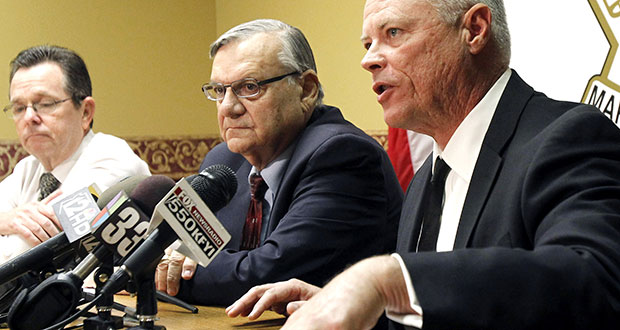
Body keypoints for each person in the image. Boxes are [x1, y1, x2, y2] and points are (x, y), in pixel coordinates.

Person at [225, 1, 620, 329]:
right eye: (367, 42)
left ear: (475, 30)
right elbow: (446, 310)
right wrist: (366, 311)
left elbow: (596, 281)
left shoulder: (568, 137)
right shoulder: (424, 180)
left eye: (393, 33)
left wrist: (389, 281)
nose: (368, 59)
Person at [154, 19, 403, 307]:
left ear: (306, 89)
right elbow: (190, 252)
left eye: (249, 87)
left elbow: (267, 273)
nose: (228, 108)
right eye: (219, 90)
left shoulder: (343, 155)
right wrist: (164, 257)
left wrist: (156, 273)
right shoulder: (223, 162)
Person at [0, 45, 151, 263]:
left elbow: (26, 253)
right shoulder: (28, 169)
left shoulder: (112, 158)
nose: (29, 117)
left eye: (45, 104)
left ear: (86, 112)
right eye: (19, 108)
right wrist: (8, 220)